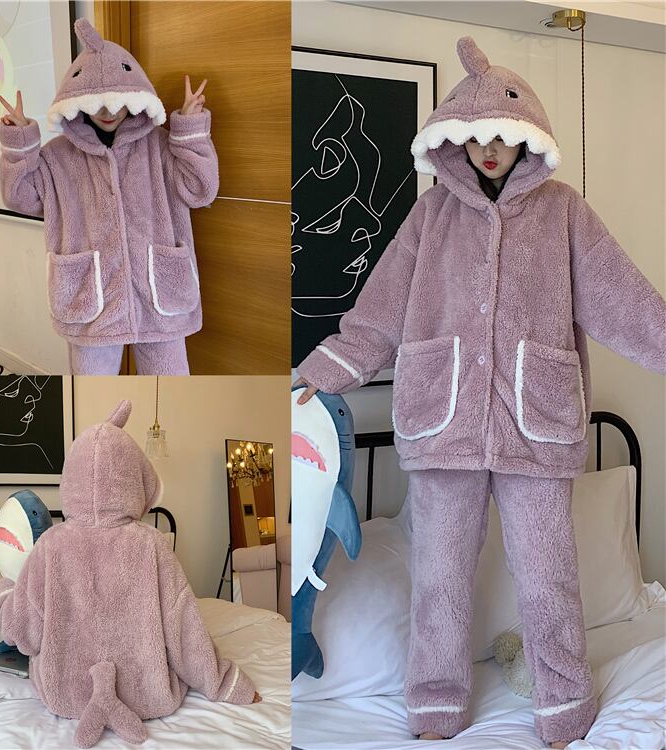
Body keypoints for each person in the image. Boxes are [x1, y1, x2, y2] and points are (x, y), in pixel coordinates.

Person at [294, 36, 665, 748]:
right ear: (454, 139)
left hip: (537, 420)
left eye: (502, 136)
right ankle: (435, 707)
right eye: (475, 136)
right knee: (438, 579)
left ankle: (564, 706)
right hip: (445, 421)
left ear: (528, 137)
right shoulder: (431, 216)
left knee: (550, 577)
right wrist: (322, 375)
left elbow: (623, 299)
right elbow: (378, 312)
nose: (489, 150)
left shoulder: (563, 212)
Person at [0, 400, 261, 749]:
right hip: (150, 695)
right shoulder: (152, 544)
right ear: (133, 479)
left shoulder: (51, 545)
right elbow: (185, 632)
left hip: (66, 695)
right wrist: (227, 683)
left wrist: (1, 589)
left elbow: (21, 631)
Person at [0, 18, 216, 375]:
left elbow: (200, 189)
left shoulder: (159, 145)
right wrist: (20, 143)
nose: (109, 112)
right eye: (97, 102)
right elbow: (21, 196)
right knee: (91, 385)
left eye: (117, 101)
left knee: (171, 380)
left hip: (158, 292)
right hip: (89, 295)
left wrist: (190, 128)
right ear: (77, 102)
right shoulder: (58, 156)